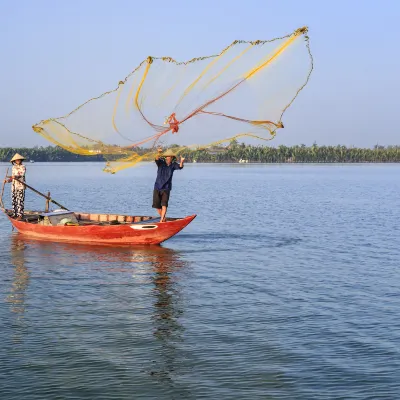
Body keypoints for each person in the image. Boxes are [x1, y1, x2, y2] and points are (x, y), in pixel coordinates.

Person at [153, 148, 185, 222]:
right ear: (165, 157)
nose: (168, 158)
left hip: (166, 188)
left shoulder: (173, 165)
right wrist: (158, 152)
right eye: (167, 157)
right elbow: (156, 158)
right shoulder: (161, 163)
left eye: (169, 157)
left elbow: (180, 167)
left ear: (172, 158)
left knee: (164, 205)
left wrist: (182, 161)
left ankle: (161, 221)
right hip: (157, 186)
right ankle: (163, 219)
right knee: (157, 207)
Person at [5, 153, 27, 220]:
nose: (17, 161)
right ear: (14, 161)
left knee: (19, 201)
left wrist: (16, 176)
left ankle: (20, 215)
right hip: (14, 186)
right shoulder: (13, 167)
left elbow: (21, 175)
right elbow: (12, 177)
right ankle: (15, 214)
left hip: (20, 186)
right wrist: (8, 180)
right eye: (16, 160)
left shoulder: (23, 167)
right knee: (14, 200)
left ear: (20, 160)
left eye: (18, 160)